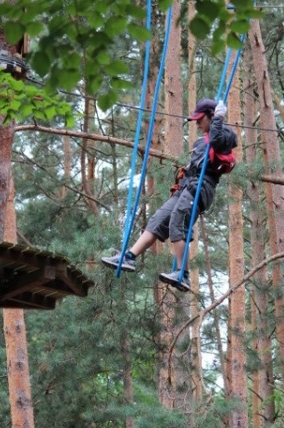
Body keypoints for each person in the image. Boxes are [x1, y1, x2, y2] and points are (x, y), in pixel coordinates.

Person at [101, 98, 238, 292]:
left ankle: (183, 274)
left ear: (212, 116)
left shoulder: (224, 136)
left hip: (201, 187)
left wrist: (219, 119)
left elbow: (216, 141)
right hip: (186, 186)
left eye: (201, 119)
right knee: (158, 219)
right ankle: (129, 257)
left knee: (177, 222)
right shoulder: (201, 141)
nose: (198, 124)